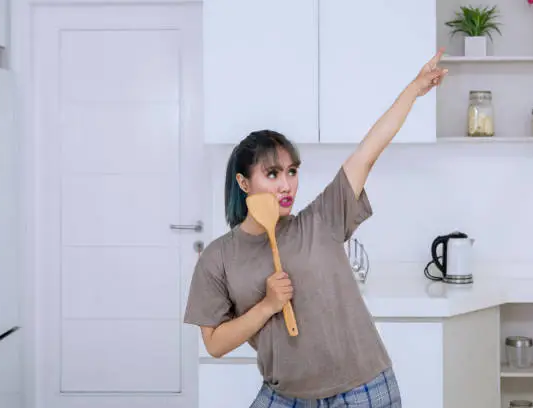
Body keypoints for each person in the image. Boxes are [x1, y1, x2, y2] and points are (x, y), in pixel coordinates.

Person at [184, 49, 448, 407]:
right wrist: (267, 306)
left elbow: (367, 153)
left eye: (292, 172)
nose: (286, 185)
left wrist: (414, 89)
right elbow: (214, 344)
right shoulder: (218, 258)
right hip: (286, 395)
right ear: (244, 183)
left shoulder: (321, 220)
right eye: (272, 174)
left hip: (363, 391)